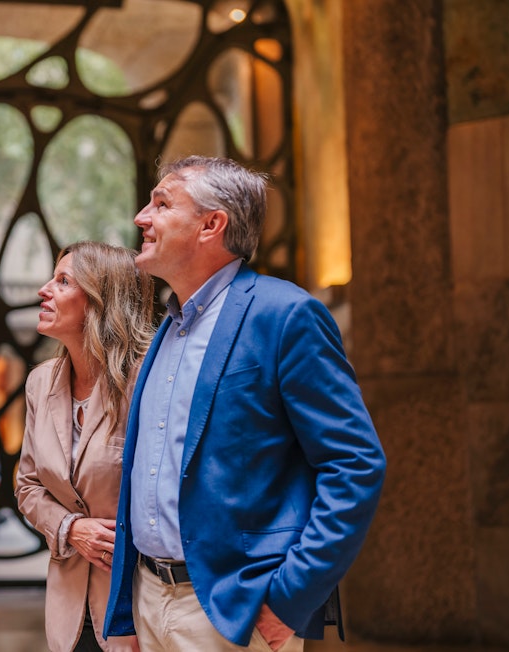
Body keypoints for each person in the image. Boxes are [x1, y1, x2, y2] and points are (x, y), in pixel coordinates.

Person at [102, 156, 387, 651]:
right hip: (149, 600)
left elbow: (355, 465)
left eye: (161, 204)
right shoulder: (168, 327)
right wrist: (132, 606)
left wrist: (288, 601)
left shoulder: (286, 315)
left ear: (211, 225)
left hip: (236, 611)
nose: (141, 218)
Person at [16, 241, 154, 652]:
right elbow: (27, 486)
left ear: (99, 301)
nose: (44, 290)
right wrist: (71, 528)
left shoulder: (148, 377)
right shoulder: (40, 382)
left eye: (62, 281)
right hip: (68, 608)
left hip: (138, 603)